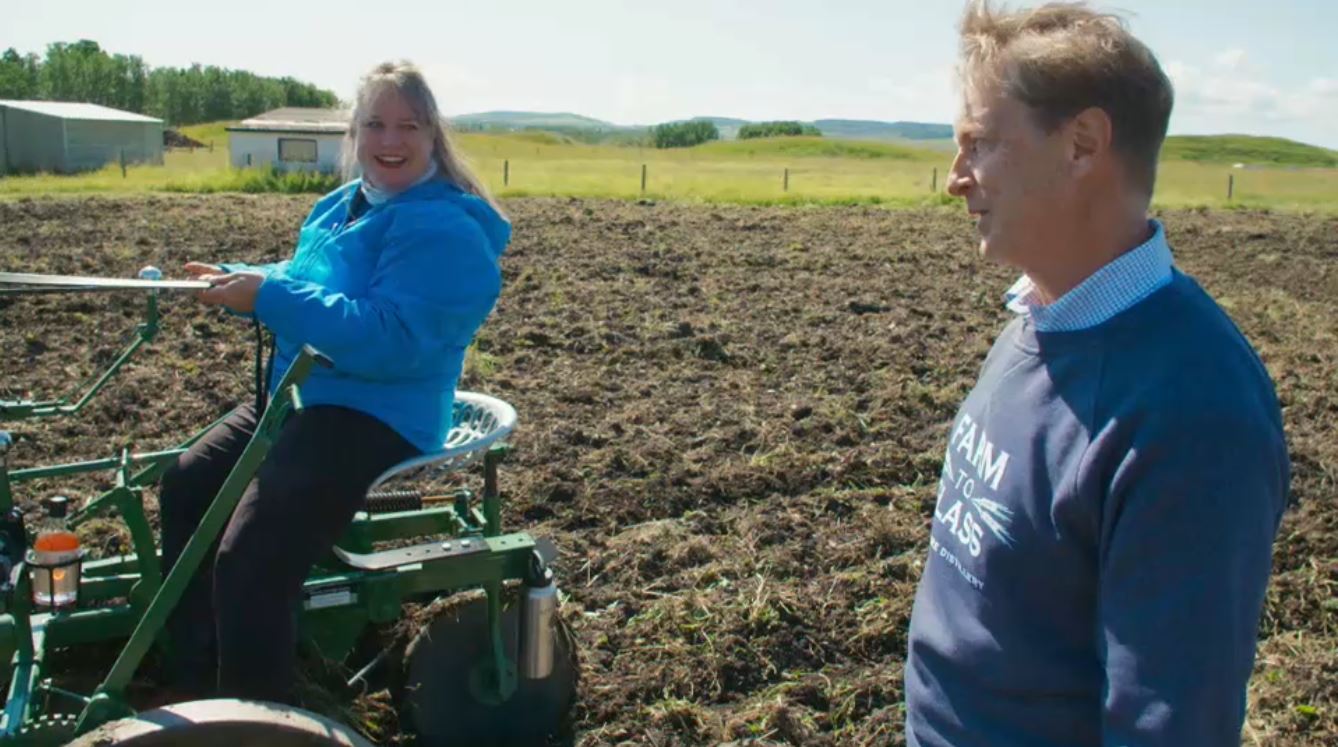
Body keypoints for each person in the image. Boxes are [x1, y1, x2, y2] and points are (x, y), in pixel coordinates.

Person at [903, 3, 1289, 745]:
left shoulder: (1195, 412)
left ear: (1082, 144)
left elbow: (1169, 724)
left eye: (980, 143)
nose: (957, 178)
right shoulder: (1039, 316)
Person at [157, 61, 510, 704]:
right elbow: (302, 278)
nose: (389, 140)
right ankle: (197, 671)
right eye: (374, 123)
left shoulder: (446, 230)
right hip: (305, 394)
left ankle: (255, 722)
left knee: (253, 558)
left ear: (434, 135)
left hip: (378, 410)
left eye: (407, 124)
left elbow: (392, 340)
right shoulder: (342, 204)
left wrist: (266, 298)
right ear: (354, 131)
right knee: (187, 483)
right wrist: (234, 277)